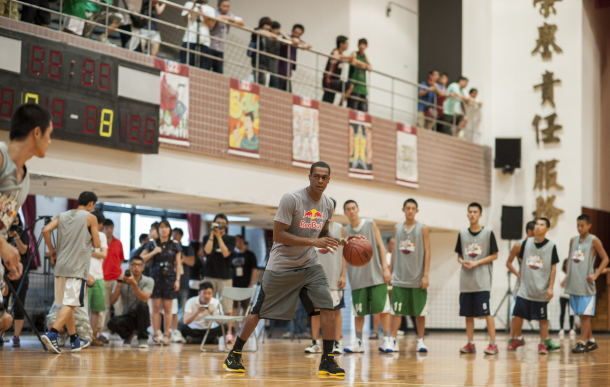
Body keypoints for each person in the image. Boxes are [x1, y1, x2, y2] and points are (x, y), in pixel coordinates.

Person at [223, 161, 344, 377]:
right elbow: (278, 235)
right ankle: (235, 353)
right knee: (259, 312)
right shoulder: (292, 199)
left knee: (328, 307)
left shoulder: (327, 204)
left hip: (309, 264)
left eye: (325, 177)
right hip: (281, 265)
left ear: (328, 180)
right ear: (309, 177)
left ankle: (327, 360)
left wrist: (345, 242)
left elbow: (323, 233)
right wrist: (313, 243)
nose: (320, 180)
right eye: (316, 176)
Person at [41, 191, 101, 354]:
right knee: (71, 304)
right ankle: (52, 334)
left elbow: (46, 230)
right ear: (91, 204)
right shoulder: (91, 218)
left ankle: (74, 339)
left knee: (69, 305)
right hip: (77, 268)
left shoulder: (63, 215)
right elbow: (97, 243)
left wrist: (52, 249)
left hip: (60, 268)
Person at [342, 200, 392, 353]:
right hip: (357, 278)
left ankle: (386, 340)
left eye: (353, 208)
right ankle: (358, 343)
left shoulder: (370, 224)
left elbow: (381, 246)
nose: (351, 211)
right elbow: (344, 255)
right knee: (359, 312)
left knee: (383, 310)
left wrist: (385, 268)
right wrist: (343, 275)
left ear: (358, 209)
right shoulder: (345, 230)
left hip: (376, 276)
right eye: (348, 209)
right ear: (345, 212)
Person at [509, 218, 561, 354]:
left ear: (547, 229)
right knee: (517, 314)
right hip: (525, 289)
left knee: (543, 319)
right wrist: (520, 284)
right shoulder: (525, 243)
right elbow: (521, 265)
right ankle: (518, 338)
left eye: (542, 224)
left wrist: (551, 287)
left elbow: (553, 268)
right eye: (537, 224)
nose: (538, 226)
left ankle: (542, 343)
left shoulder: (551, 246)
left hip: (541, 290)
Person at [455, 202, 499, 355]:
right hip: (466, 282)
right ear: (467, 214)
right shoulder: (462, 234)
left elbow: (495, 255)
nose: (472, 214)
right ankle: (470, 343)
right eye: (470, 212)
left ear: (480, 215)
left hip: (482, 282)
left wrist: (477, 262)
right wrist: (463, 262)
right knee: (468, 314)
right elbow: (459, 256)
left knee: (487, 313)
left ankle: (493, 343)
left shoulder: (488, 233)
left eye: (475, 212)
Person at [388, 199, 431, 353]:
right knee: (396, 312)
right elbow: (394, 252)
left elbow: (427, 252)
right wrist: (389, 270)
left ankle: (420, 340)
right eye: (408, 208)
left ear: (417, 211)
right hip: (400, 278)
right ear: (403, 210)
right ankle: (392, 340)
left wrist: (425, 275)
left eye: (413, 208)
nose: (410, 211)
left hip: (417, 278)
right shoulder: (397, 227)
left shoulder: (422, 228)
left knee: (419, 313)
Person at [304, 197, 345, 355]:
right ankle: (315, 343)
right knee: (315, 311)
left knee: (335, 311)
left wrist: (343, 275)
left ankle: (337, 343)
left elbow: (343, 254)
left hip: (334, 277)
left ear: (333, 210)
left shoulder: (340, 228)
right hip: (315, 277)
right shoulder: (312, 228)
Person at [565, 214, 609, 353]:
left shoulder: (594, 240)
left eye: (582, 225)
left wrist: (596, 274)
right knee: (580, 315)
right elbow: (569, 260)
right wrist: (568, 275)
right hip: (574, 283)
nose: (579, 228)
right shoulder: (573, 240)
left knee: (585, 315)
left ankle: (582, 342)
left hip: (586, 284)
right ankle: (591, 341)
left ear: (589, 225)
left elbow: (606, 259)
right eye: (578, 225)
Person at [140, 219, 181, 345]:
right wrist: (153, 252)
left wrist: (178, 279)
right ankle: (156, 334)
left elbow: (178, 263)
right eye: (161, 227)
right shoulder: (152, 244)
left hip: (170, 278)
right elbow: (141, 258)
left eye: (166, 227)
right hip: (155, 277)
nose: (164, 229)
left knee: (168, 309)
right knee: (156, 308)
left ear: (170, 230)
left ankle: (167, 335)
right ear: (158, 230)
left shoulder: (175, 245)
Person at [201, 213, 236, 341]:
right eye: (217, 223)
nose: (219, 226)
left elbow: (226, 253)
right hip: (209, 275)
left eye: (222, 223)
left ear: (226, 225)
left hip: (225, 277)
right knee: (207, 304)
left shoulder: (230, 239)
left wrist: (219, 237)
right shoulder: (207, 237)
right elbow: (208, 250)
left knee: (227, 306)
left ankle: (229, 333)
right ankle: (206, 330)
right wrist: (212, 234)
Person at [107, 256, 154, 348]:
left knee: (143, 306)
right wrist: (118, 286)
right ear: (129, 267)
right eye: (133, 265)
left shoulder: (148, 281)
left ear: (143, 267)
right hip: (127, 316)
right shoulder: (122, 280)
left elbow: (144, 299)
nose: (136, 267)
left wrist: (133, 283)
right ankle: (128, 336)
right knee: (111, 323)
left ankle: (143, 338)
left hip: (142, 317)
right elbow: (112, 301)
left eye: (139, 265)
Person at [1, 215, 31, 347]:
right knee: (4, 302)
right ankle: (2, 334)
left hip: (20, 274)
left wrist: (16, 236)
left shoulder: (23, 234)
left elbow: (24, 250)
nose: (13, 222)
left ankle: (16, 336)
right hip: (4, 274)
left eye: (15, 220)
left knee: (19, 304)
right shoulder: (3, 234)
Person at [505, 220, 536, 349]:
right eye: (536, 231)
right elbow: (508, 263)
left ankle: (544, 341)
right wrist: (518, 275)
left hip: (535, 283)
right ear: (529, 231)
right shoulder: (519, 245)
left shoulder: (540, 246)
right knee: (515, 312)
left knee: (542, 313)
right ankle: (513, 338)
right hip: (522, 283)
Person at [101, 219, 125, 337]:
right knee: (105, 307)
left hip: (116, 279)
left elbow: (121, 259)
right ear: (103, 229)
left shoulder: (118, 243)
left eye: (111, 227)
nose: (109, 230)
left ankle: (119, 330)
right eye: (106, 228)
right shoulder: (99, 243)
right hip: (103, 278)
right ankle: (106, 331)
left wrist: (115, 270)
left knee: (118, 307)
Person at [87, 211, 108, 347]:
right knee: (82, 308)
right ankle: (82, 335)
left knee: (96, 309)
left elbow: (103, 254)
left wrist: (89, 252)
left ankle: (93, 335)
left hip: (98, 276)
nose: (101, 227)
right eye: (101, 224)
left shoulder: (101, 236)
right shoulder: (83, 234)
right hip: (84, 276)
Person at [209, 0, 244, 74]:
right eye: (224, 6)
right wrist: (229, 18)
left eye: (228, 6)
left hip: (221, 48)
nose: (226, 8)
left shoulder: (230, 15)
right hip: (210, 46)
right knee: (206, 70)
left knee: (218, 73)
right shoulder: (214, 12)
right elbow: (217, 17)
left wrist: (231, 19)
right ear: (218, 6)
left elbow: (241, 22)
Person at [170, 227, 192, 342]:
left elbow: (192, 262)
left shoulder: (187, 248)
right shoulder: (169, 247)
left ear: (181, 235)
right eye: (173, 234)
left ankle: (179, 330)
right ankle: (170, 330)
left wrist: (179, 255)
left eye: (176, 234)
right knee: (171, 308)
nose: (174, 236)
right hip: (170, 281)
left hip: (183, 282)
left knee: (182, 309)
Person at [181, 0, 216, 69]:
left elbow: (211, 24)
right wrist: (193, 5)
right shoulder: (189, 4)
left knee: (203, 67)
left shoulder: (210, 9)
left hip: (204, 41)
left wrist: (201, 12)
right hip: (189, 38)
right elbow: (186, 19)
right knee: (186, 65)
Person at [277, 23, 311, 92]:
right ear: (292, 31)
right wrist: (293, 41)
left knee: (288, 94)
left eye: (299, 34)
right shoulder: (287, 37)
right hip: (279, 70)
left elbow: (309, 45)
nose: (296, 35)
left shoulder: (298, 41)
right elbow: (284, 41)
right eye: (295, 32)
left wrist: (303, 45)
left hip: (288, 73)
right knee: (277, 92)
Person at [231, 236, 258, 319]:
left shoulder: (250, 255)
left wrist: (252, 282)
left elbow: (254, 269)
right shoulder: (232, 254)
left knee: (246, 307)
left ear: (242, 241)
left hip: (246, 284)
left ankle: (243, 327)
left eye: (237, 241)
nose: (235, 243)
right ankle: (234, 329)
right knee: (233, 307)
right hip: (234, 285)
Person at [322, 36, 354, 105]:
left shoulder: (342, 55)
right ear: (341, 44)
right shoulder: (335, 51)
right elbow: (337, 56)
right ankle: (340, 105)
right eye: (346, 43)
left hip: (335, 81)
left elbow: (351, 60)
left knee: (328, 101)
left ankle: (340, 105)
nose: (347, 45)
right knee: (349, 86)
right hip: (329, 81)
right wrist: (350, 57)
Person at [250, 17, 276, 85]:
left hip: (265, 60)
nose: (268, 27)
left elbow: (275, 37)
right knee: (258, 78)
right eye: (267, 25)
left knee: (264, 80)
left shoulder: (270, 34)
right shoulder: (256, 30)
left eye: (269, 25)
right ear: (262, 24)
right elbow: (259, 32)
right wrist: (270, 34)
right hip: (257, 58)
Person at [347, 38, 372, 112]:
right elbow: (353, 59)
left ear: (366, 46)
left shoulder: (364, 56)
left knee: (364, 111)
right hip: (354, 87)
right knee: (352, 110)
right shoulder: (354, 53)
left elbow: (370, 66)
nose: (362, 46)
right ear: (358, 45)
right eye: (360, 44)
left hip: (363, 89)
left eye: (363, 44)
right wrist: (365, 65)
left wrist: (367, 65)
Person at [558, 258, 575, 340]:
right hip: (563, 296)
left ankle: (571, 329)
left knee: (571, 313)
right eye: (567, 263)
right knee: (562, 312)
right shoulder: (561, 273)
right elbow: (562, 284)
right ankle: (561, 328)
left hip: (571, 296)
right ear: (564, 264)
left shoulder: (573, 273)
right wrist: (567, 276)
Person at [266, 21, 283, 89]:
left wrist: (281, 33)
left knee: (275, 89)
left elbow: (289, 40)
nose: (279, 31)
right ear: (273, 29)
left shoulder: (278, 40)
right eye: (278, 29)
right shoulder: (267, 37)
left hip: (275, 69)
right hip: (267, 67)